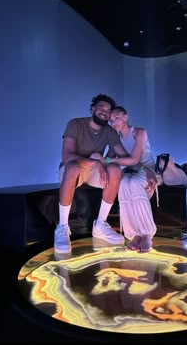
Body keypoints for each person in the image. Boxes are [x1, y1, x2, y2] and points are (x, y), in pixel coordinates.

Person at [55, 94, 129, 254]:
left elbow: (124, 157)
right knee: (73, 167)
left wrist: (145, 170)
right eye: (101, 107)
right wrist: (95, 162)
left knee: (115, 169)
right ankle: (62, 227)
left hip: (96, 172)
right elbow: (67, 156)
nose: (104, 111)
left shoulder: (109, 131)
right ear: (92, 109)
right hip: (74, 169)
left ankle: (101, 224)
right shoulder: (75, 124)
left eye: (108, 110)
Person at [107, 106, 158, 253]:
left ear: (125, 117)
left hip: (147, 170)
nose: (114, 122)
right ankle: (133, 234)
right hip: (130, 172)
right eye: (111, 120)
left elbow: (135, 160)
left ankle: (147, 233)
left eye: (117, 118)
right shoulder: (116, 139)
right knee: (122, 184)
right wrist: (104, 161)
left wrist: (107, 161)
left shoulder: (139, 132)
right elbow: (111, 159)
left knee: (135, 182)